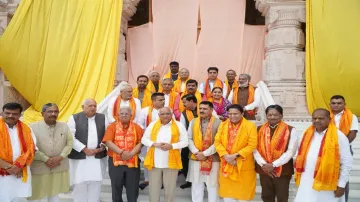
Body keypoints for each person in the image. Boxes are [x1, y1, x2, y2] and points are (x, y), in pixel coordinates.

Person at [294, 108, 352, 202]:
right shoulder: (306, 134)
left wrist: (341, 185)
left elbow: (346, 163)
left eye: (321, 118)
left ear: (329, 119)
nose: (317, 120)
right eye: (314, 118)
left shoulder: (339, 137)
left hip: (327, 183)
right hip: (306, 180)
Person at [28, 103, 73, 202]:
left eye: (56, 111)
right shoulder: (32, 127)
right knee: (39, 195)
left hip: (58, 166)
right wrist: (46, 159)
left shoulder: (64, 126)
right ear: (42, 113)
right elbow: (30, 146)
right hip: (40, 168)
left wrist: (60, 157)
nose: (53, 114)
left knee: (54, 194)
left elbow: (70, 143)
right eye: (50, 111)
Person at [141, 107, 188, 202]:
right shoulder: (153, 125)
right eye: (162, 114)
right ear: (159, 115)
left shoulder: (179, 125)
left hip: (171, 164)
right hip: (154, 162)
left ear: (171, 114)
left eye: (167, 113)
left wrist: (172, 146)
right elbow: (144, 139)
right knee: (153, 190)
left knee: (170, 190)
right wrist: (154, 144)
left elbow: (185, 142)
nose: (165, 116)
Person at [67, 99, 109, 202]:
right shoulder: (74, 118)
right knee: (79, 183)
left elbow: (108, 133)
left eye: (94, 106)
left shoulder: (102, 117)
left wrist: (102, 146)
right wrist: (84, 149)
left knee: (96, 183)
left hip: (97, 156)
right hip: (80, 156)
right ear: (83, 107)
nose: (93, 108)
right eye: (90, 106)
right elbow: (70, 136)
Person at [254, 105, 298, 202]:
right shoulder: (259, 129)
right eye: (270, 115)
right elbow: (254, 148)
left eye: (275, 115)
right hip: (264, 169)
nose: (272, 117)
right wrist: (264, 164)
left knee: (282, 196)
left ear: (281, 116)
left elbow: (291, 151)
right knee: (266, 196)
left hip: (283, 169)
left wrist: (273, 165)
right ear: (266, 116)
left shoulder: (291, 130)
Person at [214, 104, 257, 201]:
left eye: (235, 114)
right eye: (230, 114)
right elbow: (217, 142)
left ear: (242, 114)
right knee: (228, 197)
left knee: (243, 197)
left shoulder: (250, 126)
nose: (232, 116)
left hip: (243, 166)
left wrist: (234, 156)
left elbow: (252, 144)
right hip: (226, 164)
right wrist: (225, 156)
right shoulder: (223, 125)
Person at [102, 107, 144, 202]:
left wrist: (131, 154)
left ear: (131, 115)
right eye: (122, 113)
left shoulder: (137, 128)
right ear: (118, 115)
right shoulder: (112, 127)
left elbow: (141, 143)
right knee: (116, 187)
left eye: (126, 114)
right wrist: (121, 152)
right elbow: (108, 142)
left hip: (133, 162)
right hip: (115, 163)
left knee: (133, 188)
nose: (124, 115)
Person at [0, 102, 36, 202]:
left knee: (18, 198)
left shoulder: (27, 129)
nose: (10, 116)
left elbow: (32, 149)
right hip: (2, 172)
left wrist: (19, 166)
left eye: (14, 114)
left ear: (20, 115)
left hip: (20, 172)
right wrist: (9, 167)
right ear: (2, 113)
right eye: (7, 113)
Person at [187, 101, 221, 202]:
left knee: (212, 185)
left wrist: (205, 154)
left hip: (213, 158)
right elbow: (189, 138)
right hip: (196, 157)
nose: (201, 110)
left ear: (211, 110)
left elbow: (219, 142)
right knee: (196, 184)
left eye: (205, 109)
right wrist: (196, 152)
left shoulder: (219, 123)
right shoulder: (193, 121)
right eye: (200, 108)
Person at [329, 95, 358, 202]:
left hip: (344, 150)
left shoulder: (351, 116)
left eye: (339, 103)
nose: (336, 105)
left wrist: (341, 147)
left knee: (343, 177)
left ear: (344, 105)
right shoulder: (325, 115)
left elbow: (352, 133)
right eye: (333, 103)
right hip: (327, 150)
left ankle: (343, 199)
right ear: (330, 104)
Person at [138, 92, 166, 190]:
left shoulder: (167, 111)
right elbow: (139, 124)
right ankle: (147, 179)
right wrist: (148, 132)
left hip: (163, 141)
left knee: (161, 160)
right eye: (160, 100)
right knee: (148, 159)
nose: (163, 101)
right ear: (153, 101)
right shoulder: (144, 111)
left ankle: (160, 180)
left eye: (163, 100)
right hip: (149, 140)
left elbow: (172, 124)